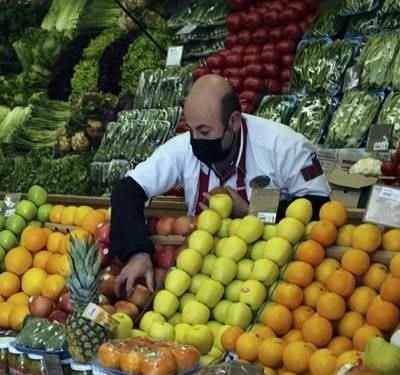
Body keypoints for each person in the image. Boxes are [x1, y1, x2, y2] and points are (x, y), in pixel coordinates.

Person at [112, 74, 331, 295]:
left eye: (205, 131)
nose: (196, 140)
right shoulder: (183, 148)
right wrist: (137, 252)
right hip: (198, 277)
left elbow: (320, 207)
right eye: (190, 129)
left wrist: (251, 211)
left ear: (234, 122)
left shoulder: (284, 147)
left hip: (272, 275)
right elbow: (127, 190)